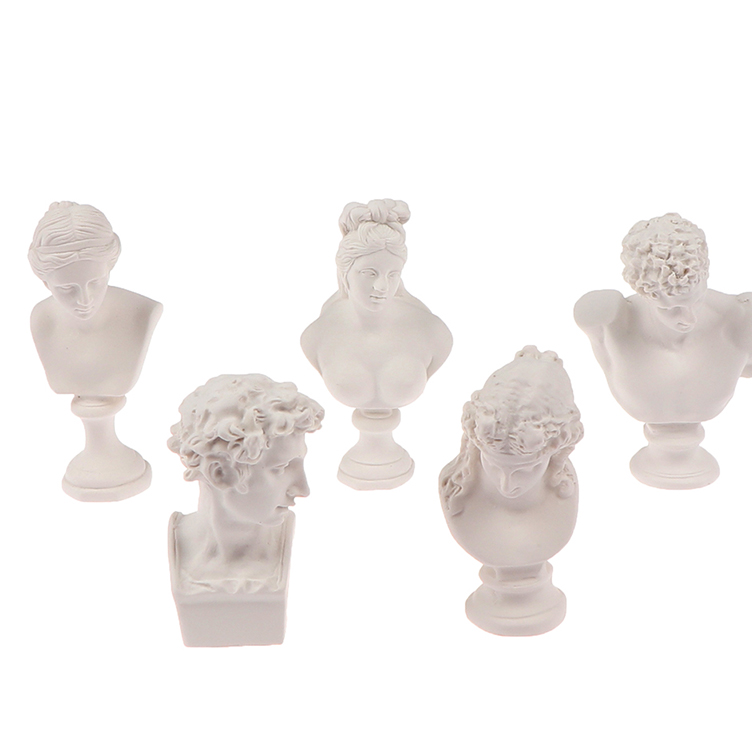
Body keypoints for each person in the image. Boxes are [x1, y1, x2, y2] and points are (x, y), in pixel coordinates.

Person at [574, 213, 752, 487]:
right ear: (645, 294)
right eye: (670, 309)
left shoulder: (740, 321)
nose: (689, 318)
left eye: (697, 300)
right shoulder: (612, 323)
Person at [439, 347, 584, 635]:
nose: (506, 485)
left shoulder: (564, 486)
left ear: (555, 453)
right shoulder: (456, 489)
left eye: (525, 470)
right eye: (494, 465)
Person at [168, 373, 324, 588]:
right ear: (220, 473)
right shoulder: (179, 546)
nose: (303, 489)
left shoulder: (281, 541)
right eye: (280, 468)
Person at [301, 199, 452, 411]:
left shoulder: (434, 332)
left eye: (392, 274)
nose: (382, 286)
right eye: (369, 273)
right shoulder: (316, 336)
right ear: (345, 273)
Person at [29, 201, 162, 397]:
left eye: (96, 282)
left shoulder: (143, 312)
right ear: (45, 283)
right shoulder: (42, 319)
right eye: (67, 288)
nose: (85, 300)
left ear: (109, 267)